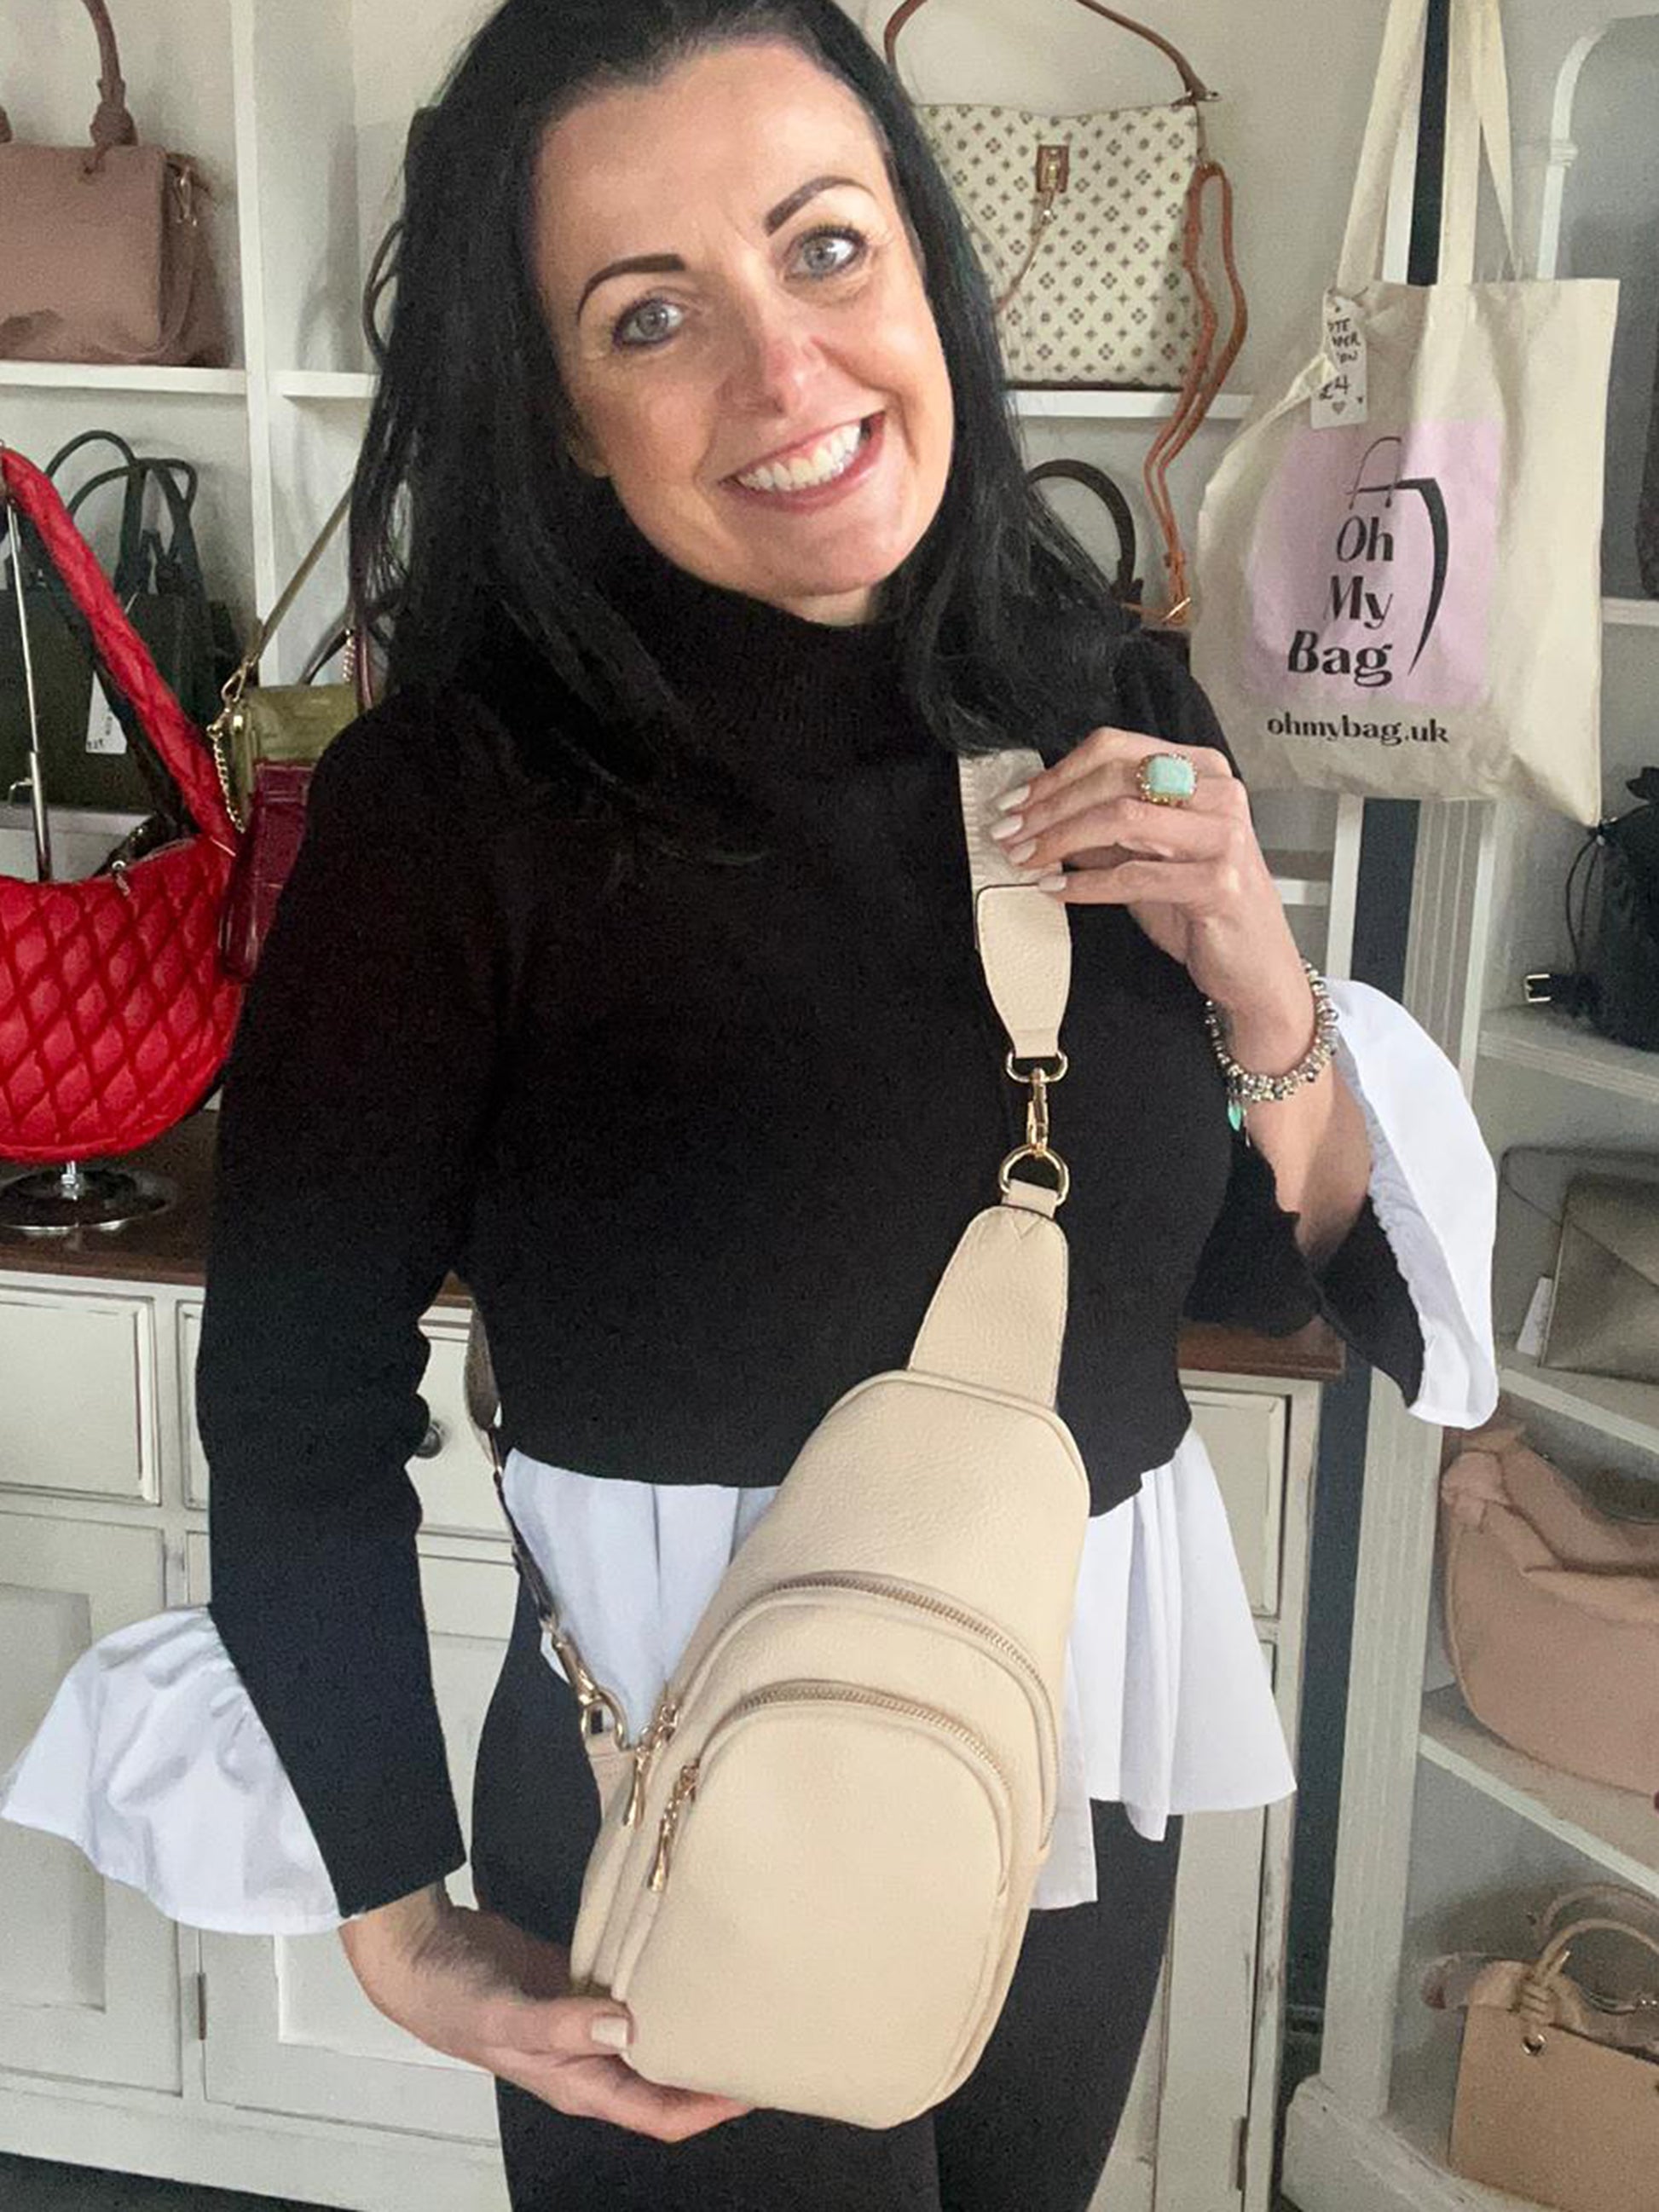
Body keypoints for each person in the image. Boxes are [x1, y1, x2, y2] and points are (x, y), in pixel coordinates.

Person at [0, 3, 1500, 2206]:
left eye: (822, 248)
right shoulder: (455, 803)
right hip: (677, 1781)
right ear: (561, 408)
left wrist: (1258, 979)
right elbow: (299, 1386)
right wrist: (398, 1919)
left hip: (1070, 1747)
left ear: (922, 270)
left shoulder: (1096, 697)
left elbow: (1247, 1282)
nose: (786, 372)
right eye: (650, 313)